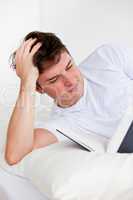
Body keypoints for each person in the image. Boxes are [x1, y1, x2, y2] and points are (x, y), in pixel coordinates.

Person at [5, 31, 133, 165]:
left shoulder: (107, 57)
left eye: (69, 66)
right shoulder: (61, 125)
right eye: (54, 79)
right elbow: (14, 156)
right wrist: (27, 82)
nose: (70, 81)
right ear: (38, 88)